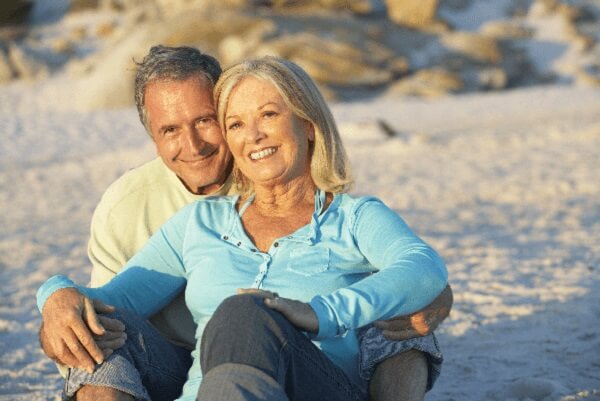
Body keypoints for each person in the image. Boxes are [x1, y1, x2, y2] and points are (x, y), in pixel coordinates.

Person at [38, 46, 453, 401]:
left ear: (307, 126)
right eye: (236, 123)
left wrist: (319, 312)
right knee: (99, 327)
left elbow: (423, 267)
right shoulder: (200, 221)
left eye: (269, 115)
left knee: (246, 311)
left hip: (315, 384)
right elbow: (109, 302)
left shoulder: (353, 216)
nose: (252, 135)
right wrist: (54, 293)